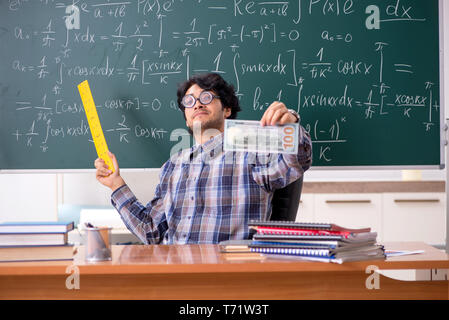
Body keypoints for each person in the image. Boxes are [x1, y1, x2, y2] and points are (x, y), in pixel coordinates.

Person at [94, 73, 312, 244]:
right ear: (187, 120)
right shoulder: (172, 166)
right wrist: (115, 184)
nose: (197, 104)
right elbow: (151, 232)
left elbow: (298, 159)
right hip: (175, 273)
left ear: (227, 109)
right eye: (189, 101)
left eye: (206, 97)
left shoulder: (251, 152)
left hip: (227, 275)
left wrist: (290, 123)